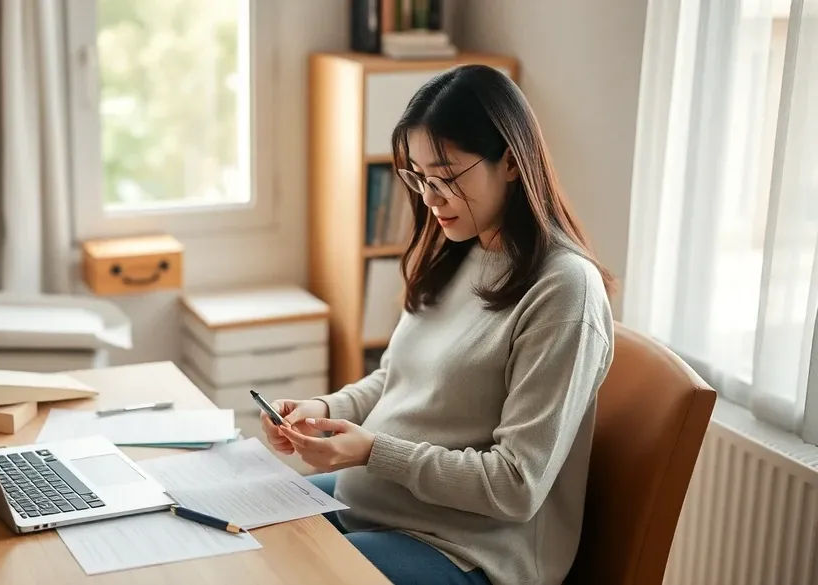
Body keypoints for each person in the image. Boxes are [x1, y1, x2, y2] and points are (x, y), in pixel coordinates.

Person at [261, 65, 615, 585]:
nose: (429, 197)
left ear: (512, 163)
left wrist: (373, 450)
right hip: (378, 506)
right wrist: (324, 410)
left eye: (447, 177)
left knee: (281, 571)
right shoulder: (458, 250)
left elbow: (517, 484)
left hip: (465, 549)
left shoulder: (564, 290)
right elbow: (399, 378)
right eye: (419, 176)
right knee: (239, 540)